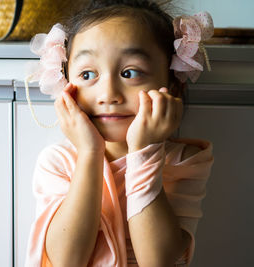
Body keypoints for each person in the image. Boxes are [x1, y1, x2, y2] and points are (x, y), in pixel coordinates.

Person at [24, 0, 215, 266]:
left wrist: (142, 152)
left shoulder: (184, 161)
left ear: (172, 85)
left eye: (130, 72)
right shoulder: (58, 162)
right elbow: (66, 260)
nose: (108, 94)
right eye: (88, 74)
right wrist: (91, 153)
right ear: (66, 85)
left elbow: (157, 260)